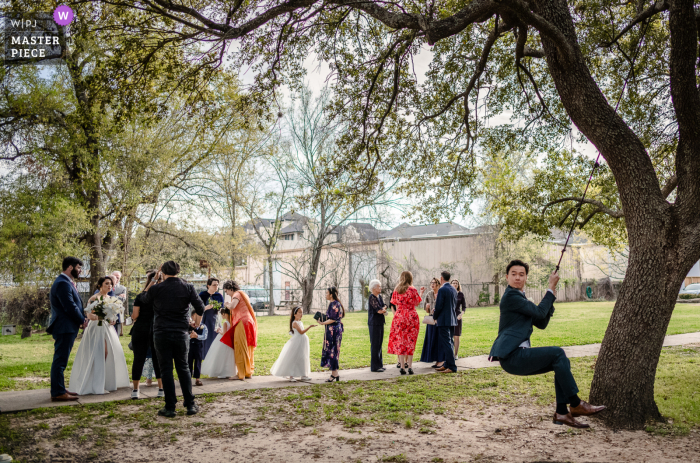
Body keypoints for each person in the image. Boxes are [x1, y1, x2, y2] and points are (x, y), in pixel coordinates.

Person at [488, 259, 606, 428]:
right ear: (507, 277)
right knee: (557, 353)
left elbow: (541, 322)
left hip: (516, 357)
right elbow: (540, 311)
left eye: (521, 274)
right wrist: (550, 289)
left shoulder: (519, 297)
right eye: (513, 274)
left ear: (526, 278)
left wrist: (552, 294)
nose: (517, 278)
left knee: (560, 362)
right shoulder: (511, 296)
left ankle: (562, 413)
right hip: (513, 356)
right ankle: (575, 403)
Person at [142, 261, 205, 417]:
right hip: (181, 332)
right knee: (183, 368)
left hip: (162, 332)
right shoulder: (188, 287)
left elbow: (144, 299)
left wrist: (154, 281)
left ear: (162, 272)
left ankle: (170, 407)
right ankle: (190, 404)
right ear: (178, 271)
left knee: (166, 369)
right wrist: (194, 322)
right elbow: (201, 307)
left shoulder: (157, 288)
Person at [69, 276, 130, 395]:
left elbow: (112, 314)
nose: (109, 286)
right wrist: (99, 317)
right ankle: (94, 382)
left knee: (110, 353)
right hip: (96, 328)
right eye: (107, 283)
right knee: (100, 352)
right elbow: (89, 315)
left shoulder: (111, 298)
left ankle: (105, 382)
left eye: (111, 284)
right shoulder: (94, 298)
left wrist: (112, 320)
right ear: (99, 286)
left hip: (107, 328)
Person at [47, 257, 87, 402]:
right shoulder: (62, 283)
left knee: (61, 359)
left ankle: (60, 388)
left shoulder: (65, 282)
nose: (80, 270)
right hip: (64, 327)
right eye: (78, 267)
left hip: (67, 326)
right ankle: (57, 392)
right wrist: (82, 320)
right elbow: (69, 306)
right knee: (60, 360)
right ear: (70, 267)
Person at [130, 270, 163, 400]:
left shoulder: (140, 297)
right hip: (157, 329)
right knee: (158, 359)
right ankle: (161, 388)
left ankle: (135, 390)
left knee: (138, 359)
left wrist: (134, 317)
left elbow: (135, 316)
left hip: (141, 329)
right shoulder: (161, 299)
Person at [220, 280, 258, 381]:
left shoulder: (237, 294)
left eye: (227, 291)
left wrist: (227, 304)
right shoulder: (243, 294)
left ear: (230, 289)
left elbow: (232, 306)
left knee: (240, 347)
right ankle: (248, 372)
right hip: (248, 322)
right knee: (247, 346)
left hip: (242, 322)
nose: (227, 293)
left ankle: (240, 374)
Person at [387, 271, 423, 375]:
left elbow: (393, 302)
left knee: (401, 341)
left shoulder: (397, 289)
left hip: (399, 317)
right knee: (411, 341)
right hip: (411, 316)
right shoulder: (412, 289)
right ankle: (410, 366)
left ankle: (402, 366)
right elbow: (417, 302)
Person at [270, 306, 316, 382]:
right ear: (295, 314)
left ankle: (303, 374)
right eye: (299, 312)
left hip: (302, 342)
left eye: (302, 312)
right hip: (297, 342)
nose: (301, 314)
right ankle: (291, 375)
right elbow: (301, 332)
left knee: (303, 357)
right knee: (294, 357)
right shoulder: (294, 323)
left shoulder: (300, 322)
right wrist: (309, 327)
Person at [201, 308, 237, 379]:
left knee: (221, 356)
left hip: (223, 342)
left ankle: (221, 371)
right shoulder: (232, 322)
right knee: (228, 357)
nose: (222, 316)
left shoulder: (225, 323)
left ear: (224, 314)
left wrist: (219, 331)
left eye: (222, 315)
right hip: (229, 342)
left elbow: (224, 334)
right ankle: (228, 372)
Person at [433, 271, 458, 373]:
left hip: (443, 319)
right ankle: (447, 364)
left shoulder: (442, 289)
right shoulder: (453, 289)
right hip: (452, 319)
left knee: (446, 343)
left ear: (441, 278)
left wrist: (435, 316)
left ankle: (452, 366)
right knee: (450, 342)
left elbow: (439, 306)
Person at [318, 287, 344, 382]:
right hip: (333, 330)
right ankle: (334, 373)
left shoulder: (334, 304)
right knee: (332, 351)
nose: (326, 295)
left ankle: (334, 373)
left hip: (334, 331)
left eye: (327, 293)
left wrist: (322, 323)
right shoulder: (334, 304)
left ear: (331, 294)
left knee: (333, 351)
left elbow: (333, 319)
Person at [419, 278, 442, 368]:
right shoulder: (429, 294)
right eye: (431, 283)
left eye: (434, 283)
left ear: (438, 284)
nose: (432, 284)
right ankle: (435, 360)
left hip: (439, 320)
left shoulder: (441, 293)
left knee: (439, 340)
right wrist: (428, 308)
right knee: (432, 339)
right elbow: (426, 309)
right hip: (431, 320)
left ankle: (440, 360)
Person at [199, 277, 224, 358]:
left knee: (215, 336)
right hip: (205, 319)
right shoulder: (202, 295)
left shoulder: (219, 295)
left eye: (217, 285)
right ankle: (204, 355)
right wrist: (206, 307)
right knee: (205, 336)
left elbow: (222, 308)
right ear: (208, 285)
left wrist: (220, 309)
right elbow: (198, 308)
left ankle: (215, 356)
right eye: (214, 285)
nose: (216, 287)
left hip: (215, 319)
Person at [367, 279, 387, 372]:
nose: (380, 288)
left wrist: (383, 309)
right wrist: (382, 309)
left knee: (379, 344)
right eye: (379, 286)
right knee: (375, 344)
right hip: (374, 324)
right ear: (374, 288)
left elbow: (384, 306)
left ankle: (379, 364)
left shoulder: (379, 297)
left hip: (380, 322)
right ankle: (375, 367)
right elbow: (378, 310)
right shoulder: (372, 297)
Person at [188, 317, 208, 386]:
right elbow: (184, 336)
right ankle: (188, 379)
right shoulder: (189, 326)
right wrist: (190, 336)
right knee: (189, 362)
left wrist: (197, 336)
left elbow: (205, 336)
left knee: (198, 363)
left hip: (199, 347)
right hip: (189, 347)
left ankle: (197, 379)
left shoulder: (203, 326)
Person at [451, 279, 466, 360]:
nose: (455, 284)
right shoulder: (449, 293)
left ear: (458, 285)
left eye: (456, 283)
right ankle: (450, 354)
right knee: (450, 336)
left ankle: (455, 354)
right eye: (453, 283)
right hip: (449, 316)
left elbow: (464, 306)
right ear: (451, 284)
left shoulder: (461, 294)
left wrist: (462, 314)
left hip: (457, 316)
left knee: (456, 336)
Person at [110, 271, 127, 336]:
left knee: (116, 336)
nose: (116, 279)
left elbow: (122, 300)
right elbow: (105, 298)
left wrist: (112, 298)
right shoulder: (105, 286)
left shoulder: (122, 288)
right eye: (115, 277)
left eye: (118, 278)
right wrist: (118, 296)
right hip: (107, 314)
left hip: (118, 315)